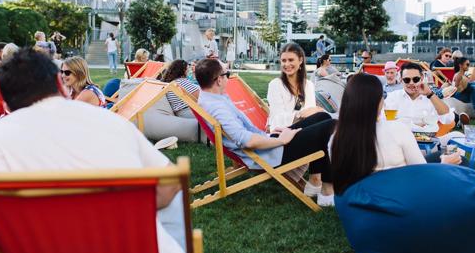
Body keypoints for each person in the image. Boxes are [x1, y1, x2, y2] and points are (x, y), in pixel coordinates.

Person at [0, 48, 188, 253]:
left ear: (5, 102)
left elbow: (0, 249)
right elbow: (170, 182)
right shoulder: (112, 123)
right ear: (61, 85)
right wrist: (124, 210)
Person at [196, 58, 336, 207]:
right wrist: (281, 140)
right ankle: (326, 191)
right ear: (218, 80)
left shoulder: (212, 98)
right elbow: (246, 140)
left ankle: (315, 183)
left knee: (323, 117)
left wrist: (271, 135)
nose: (228, 78)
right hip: (268, 153)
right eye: (227, 73)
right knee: (329, 126)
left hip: (267, 142)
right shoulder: (218, 109)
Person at [331, 74, 461, 195]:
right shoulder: (397, 128)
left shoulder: (336, 137)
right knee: (455, 160)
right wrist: (444, 165)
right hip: (395, 201)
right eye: (382, 96)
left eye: (416, 79)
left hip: (353, 206)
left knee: (437, 156)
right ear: (377, 101)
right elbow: (422, 174)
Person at [268, 43, 324, 131]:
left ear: (300, 60)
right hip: (281, 133)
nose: (287, 64)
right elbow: (278, 118)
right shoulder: (275, 85)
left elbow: (310, 113)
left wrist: (308, 114)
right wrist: (299, 115)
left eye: (291, 60)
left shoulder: (308, 85)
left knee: (326, 119)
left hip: (303, 129)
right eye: (284, 60)